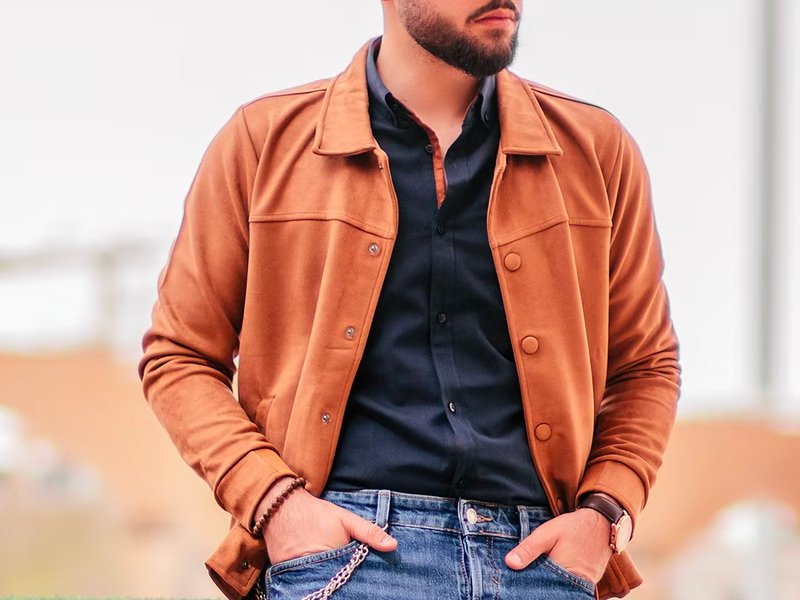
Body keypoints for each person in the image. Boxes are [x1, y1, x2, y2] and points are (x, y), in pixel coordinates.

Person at [138, 1, 681, 598]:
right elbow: (179, 354)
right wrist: (276, 503)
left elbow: (646, 365)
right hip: (343, 560)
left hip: (543, 563)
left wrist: (605, 515)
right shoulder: (264, 142)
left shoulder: (595, 150)